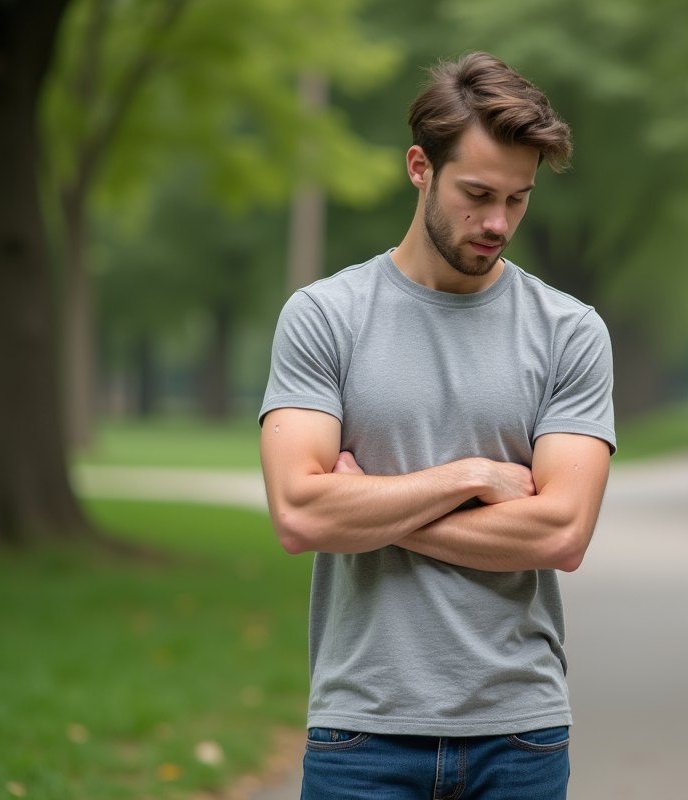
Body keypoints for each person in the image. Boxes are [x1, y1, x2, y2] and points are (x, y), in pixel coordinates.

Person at [258, 51, 615, 799]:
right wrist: (474, 477)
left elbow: (559, 535)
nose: (497, 223)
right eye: (477, 194)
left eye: (518, 200)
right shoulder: (326, 316)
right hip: (363, 730)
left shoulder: (570, 331)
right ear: (419, 167)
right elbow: (298, 513)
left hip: (520, 733)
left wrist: (369, 509)